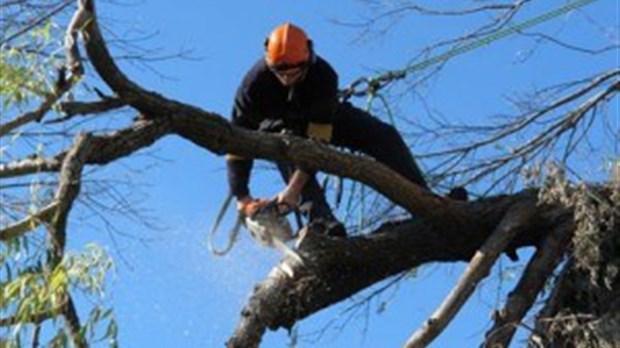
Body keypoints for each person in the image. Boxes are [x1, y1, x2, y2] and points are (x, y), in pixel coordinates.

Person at [226, 22, 457, 238]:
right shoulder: (253, 86)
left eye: (295, 72)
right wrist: (242, 197)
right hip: (278, 131)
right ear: (270, 62)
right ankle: (321, 222)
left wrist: (293, 190)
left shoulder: (323, 75)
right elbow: (236, 142)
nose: (287, 77)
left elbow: (317, 143)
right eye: (281, 72)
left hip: (321, 121)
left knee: (383, 135)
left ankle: (426, 201)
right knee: (286, 145)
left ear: (308, 59)